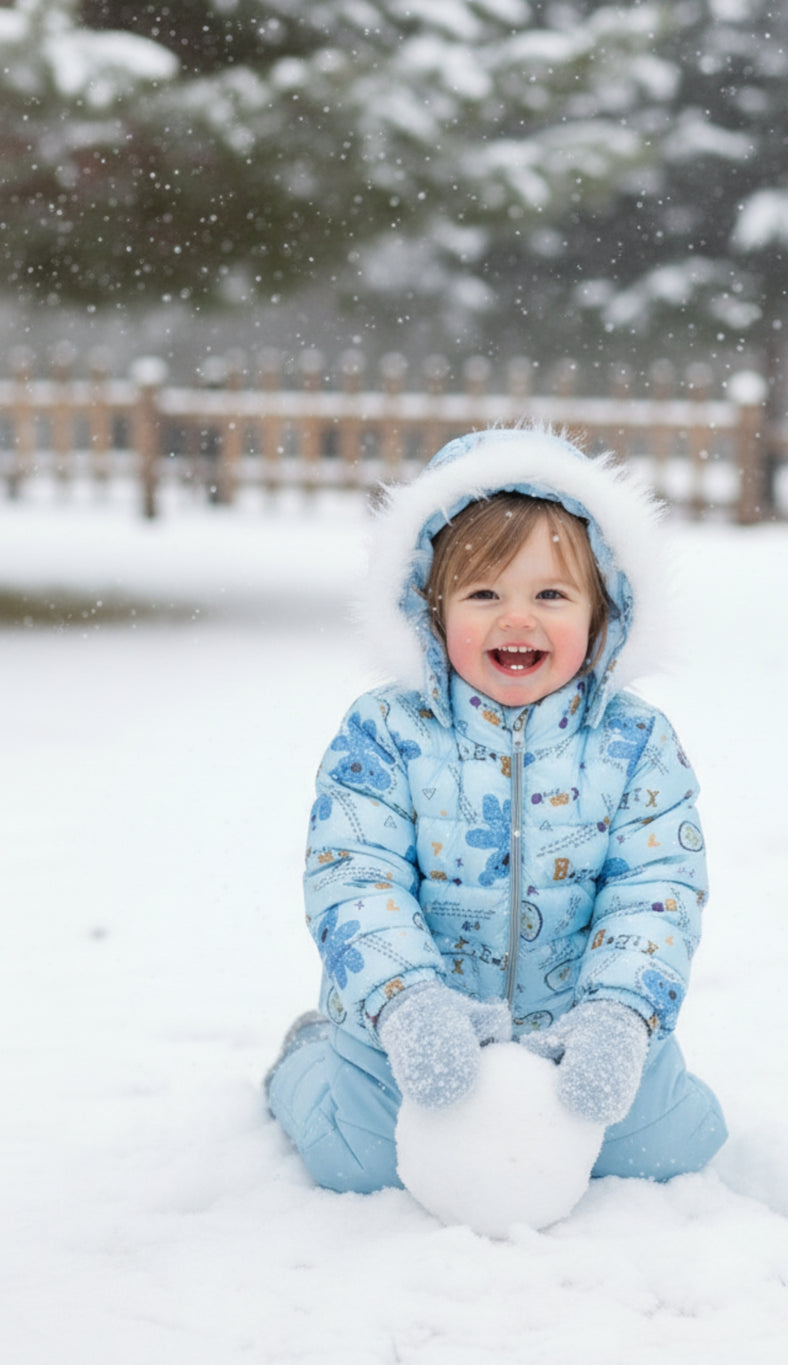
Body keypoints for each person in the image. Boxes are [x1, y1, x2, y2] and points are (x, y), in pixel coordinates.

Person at [265, 427, 726, 1194]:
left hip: (575, 1036)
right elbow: (354, 874)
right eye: (484, 594)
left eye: (550, 595)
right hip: (414, 1036)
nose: (517, 619)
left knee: (667, 1148)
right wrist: (407, 1003)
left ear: (601, 612)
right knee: (360, 1161)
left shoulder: (635, 743)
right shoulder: (386, 732)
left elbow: (657, 889)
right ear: (431, 609)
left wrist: (619, 1014)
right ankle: (306, 1059)